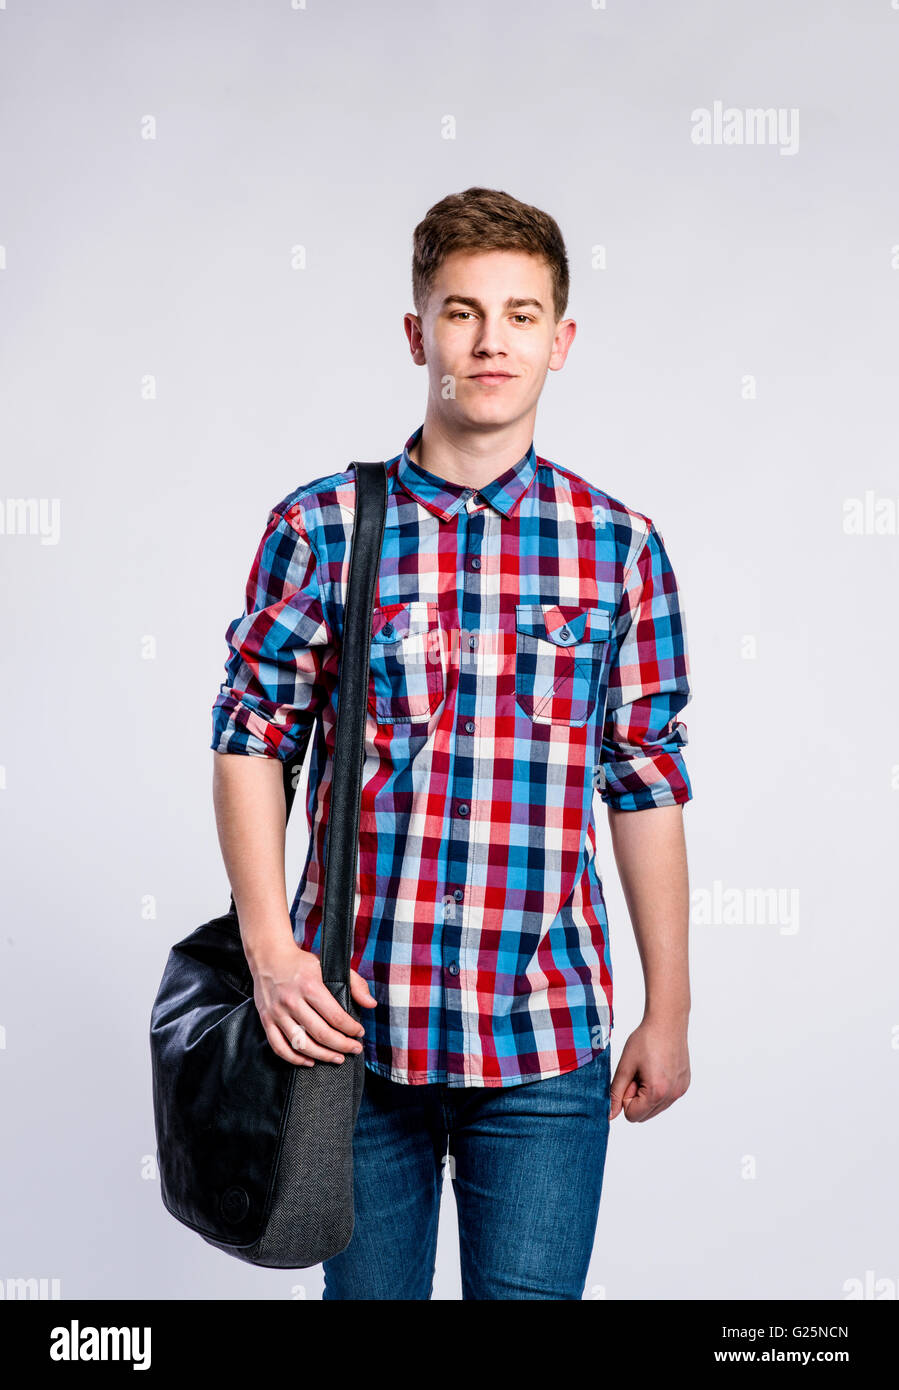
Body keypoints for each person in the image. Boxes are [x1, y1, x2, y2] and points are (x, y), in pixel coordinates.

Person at [210, 186, 694, 1300]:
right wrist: (271, 953)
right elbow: (250, 736)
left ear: (559, 340)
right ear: (417, 331)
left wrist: (667, 1009)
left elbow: (644, 778)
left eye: (521, 314)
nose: (490, 340)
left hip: (542, 1043)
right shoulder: (322, 526)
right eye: (463, 311)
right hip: (355, 1043)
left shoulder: (618, 548)